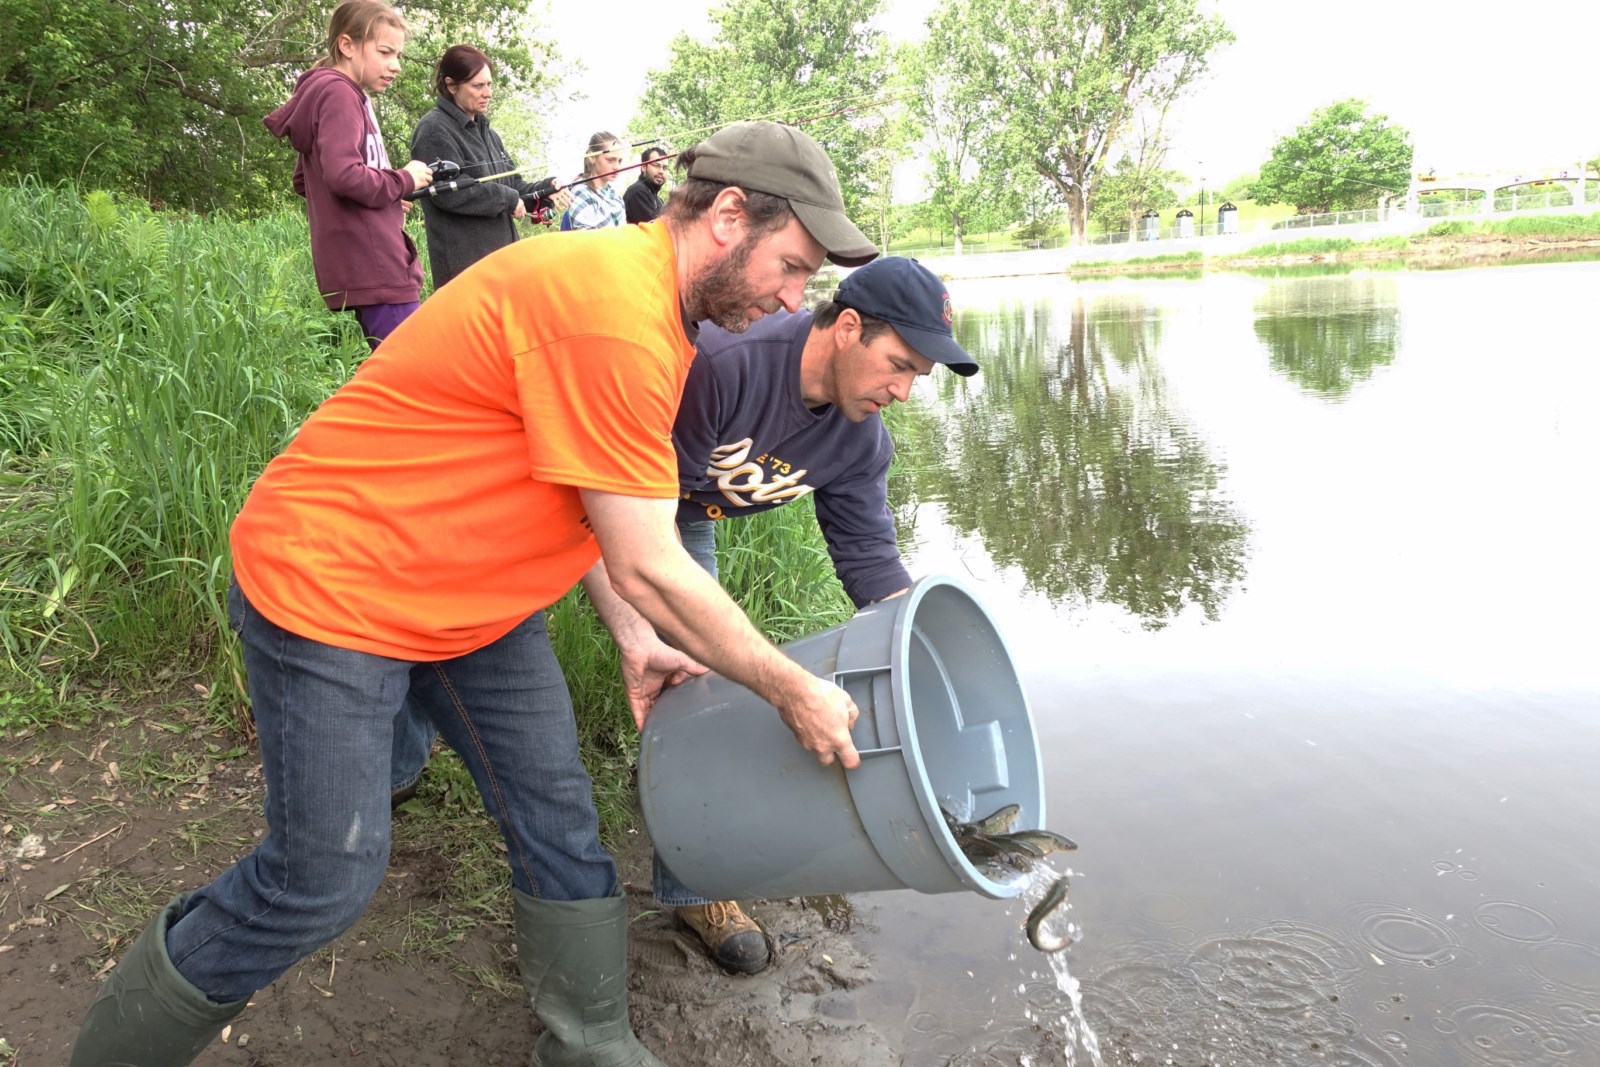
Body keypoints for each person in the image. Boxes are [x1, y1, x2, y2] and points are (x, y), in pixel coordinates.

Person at [65, 120, 878, 1067]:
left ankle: (592, 1045)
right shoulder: (611, 308)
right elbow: (653, 561)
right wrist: (791, 687)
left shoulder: (657, 313)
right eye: (792, 266)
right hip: (336, 583)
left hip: (474, 600)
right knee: (321, 876)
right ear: (729, 216)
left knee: (558, 818)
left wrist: (632, 636)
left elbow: (595, 509)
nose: (794, 297)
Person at [658, 256, 979, 974]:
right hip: (614, 491)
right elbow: (637, 510)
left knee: (701, 683)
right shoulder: (725, 364)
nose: (902, 391)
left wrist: (931, 667)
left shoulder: (859, 439)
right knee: (473, 637)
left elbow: (871, 566)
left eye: (918, 377)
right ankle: (411, 743)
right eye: (898, 365)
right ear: (848, 327)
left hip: (681, 514)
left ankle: (694, 886)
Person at [263, 0, 433, 351]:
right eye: (385, 52)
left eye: (398, 55)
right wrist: (403, 179)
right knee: (413, 369)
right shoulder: (340, 93)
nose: (395, 65)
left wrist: (387, 196)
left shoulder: (333, 94)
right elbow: (342, 175)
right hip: (377, 264)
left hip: (367, 262)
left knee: (399, 368)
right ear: (347, 45)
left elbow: (306, 180)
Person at [408, 44, 573, 289]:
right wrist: (507, 199)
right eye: (478, 86)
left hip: (504, 265)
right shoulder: (433, 129)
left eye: (489, 84)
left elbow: (514, 186)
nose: (488, 93)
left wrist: (546, 190)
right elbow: (449, 192)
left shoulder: (489, 134)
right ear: (451, 85)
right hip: (466, 273)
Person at [562, 130, 627, 229]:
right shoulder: (581, 192)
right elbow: (587, 236)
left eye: (620, 161)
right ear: (592, 157)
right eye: (610, 160)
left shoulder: (616, 196)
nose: (617, 167)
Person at [624, 145, 670, 224]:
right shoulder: (638, 192)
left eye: (665, 168)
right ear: (643, 167)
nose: (661, 171)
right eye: (656, 165)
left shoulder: (657, 199)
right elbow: (655, 228)